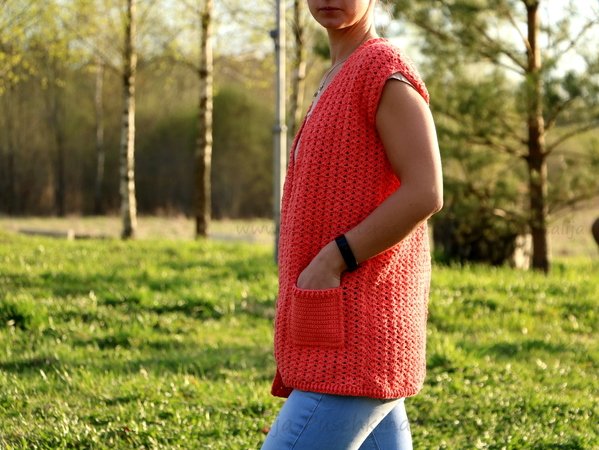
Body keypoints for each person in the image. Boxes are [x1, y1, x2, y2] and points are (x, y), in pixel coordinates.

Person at [261, 0, 443, 448]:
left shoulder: (382, 70)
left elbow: (425, 190)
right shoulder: (341, 72)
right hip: (348, 330)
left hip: (358, 338)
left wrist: (334, 258)